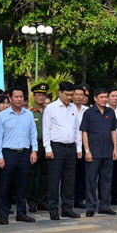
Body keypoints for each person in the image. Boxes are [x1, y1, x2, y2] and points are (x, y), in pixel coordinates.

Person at [0, 86, 39, 225]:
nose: (20, 99)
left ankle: (21, 213)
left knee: (23, 184)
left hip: (24, 153)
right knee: (5, 185)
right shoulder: (2, 116)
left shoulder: (28, 114)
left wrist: (34, 151)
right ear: (10, 98)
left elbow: (33, 133)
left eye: (21, 97)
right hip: (8, 153)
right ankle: (3, 214)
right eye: (17, 97)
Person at [43, 81, 81, 220]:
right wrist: (48, 148)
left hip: (71, 148)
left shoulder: (73, 109)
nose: (69, 97)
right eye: (67, 94)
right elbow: (46, 129)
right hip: (56, 147)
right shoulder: (51, 108)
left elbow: (77, 129)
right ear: (60, 93)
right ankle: (53, 209)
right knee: (54, 180)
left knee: (69, 180)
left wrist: (79, 147)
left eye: (71, 95)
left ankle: (67, 208)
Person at [80, 88, 117, 217]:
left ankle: (105, 206)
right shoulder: (89, 113)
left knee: (106, 180)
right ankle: (91, 206)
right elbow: (84, 133)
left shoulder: (110, 112)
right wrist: (87, 151)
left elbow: (113, 131)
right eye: (101, 97)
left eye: (105, 97)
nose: (104, 99)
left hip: (107, 151)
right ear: (95, 98)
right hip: (93, 152)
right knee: (91, 180)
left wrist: (115, 149)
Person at [27, 83, 50, 213]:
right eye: (39, 95)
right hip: (33, 145)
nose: (41, 97)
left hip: (47, 145)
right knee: (32, 175)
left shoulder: (49, 111)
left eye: (43, 95)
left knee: (46, 175)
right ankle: (31, 202)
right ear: (34, 96)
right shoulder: (30, 112)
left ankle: (43, 201)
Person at [73, 85, 89, 210]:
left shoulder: (87, 110)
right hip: (69, 144)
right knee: (68, 174)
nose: (78, 97)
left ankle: (79, 199)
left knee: (81, 172)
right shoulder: (67, 108)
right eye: (76, 94)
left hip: (83, 145)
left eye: (81, 94)